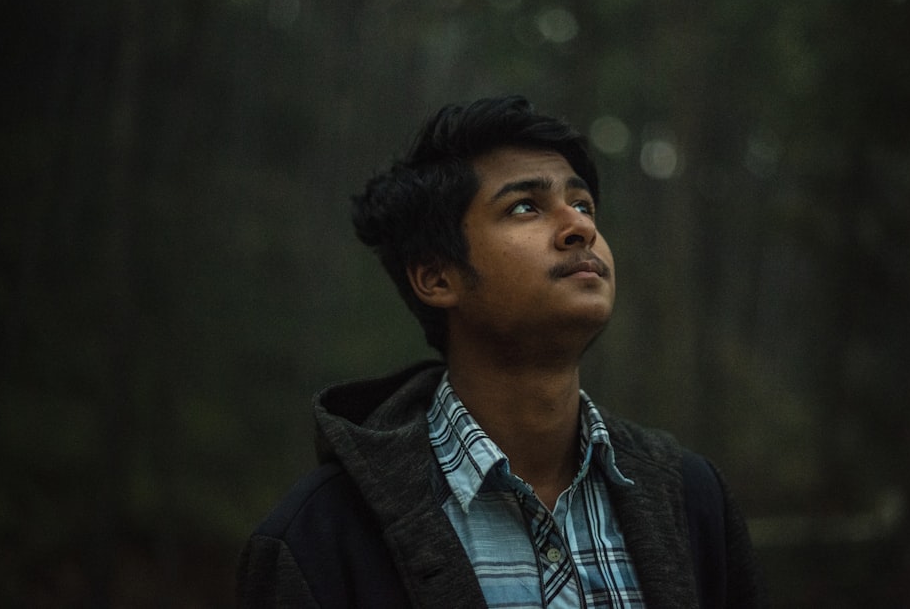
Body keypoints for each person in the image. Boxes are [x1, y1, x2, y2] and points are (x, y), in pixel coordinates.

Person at [236, 96, 766, 607]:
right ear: (436, 277)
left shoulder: (691, 500)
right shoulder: (319, 537)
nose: (580, 226)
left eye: (583, 204)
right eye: (525, 206)